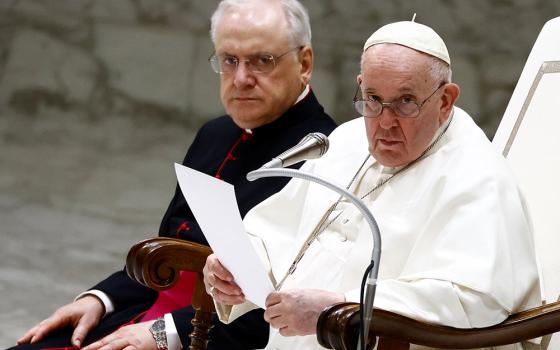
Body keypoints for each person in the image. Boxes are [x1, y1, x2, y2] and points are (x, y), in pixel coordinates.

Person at [13, 1, 336, 350]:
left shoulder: (328, 156)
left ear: (304, 64)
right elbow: (166, 254)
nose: (241, 79)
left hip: (211, 337)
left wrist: (164, 334)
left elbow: (283, 308)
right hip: (145, 311)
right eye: (229, 60)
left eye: (262, 60)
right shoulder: (216, 134)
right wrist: (100, 299)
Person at [203, 20, 541, 349]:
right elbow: (275, 233)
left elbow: (472, 298)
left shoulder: (478, 176)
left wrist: (341, 309)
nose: (386, 122)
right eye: (373, 99)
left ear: (445, 101)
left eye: (406, 101)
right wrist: (234, 271)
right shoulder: (346, 141)